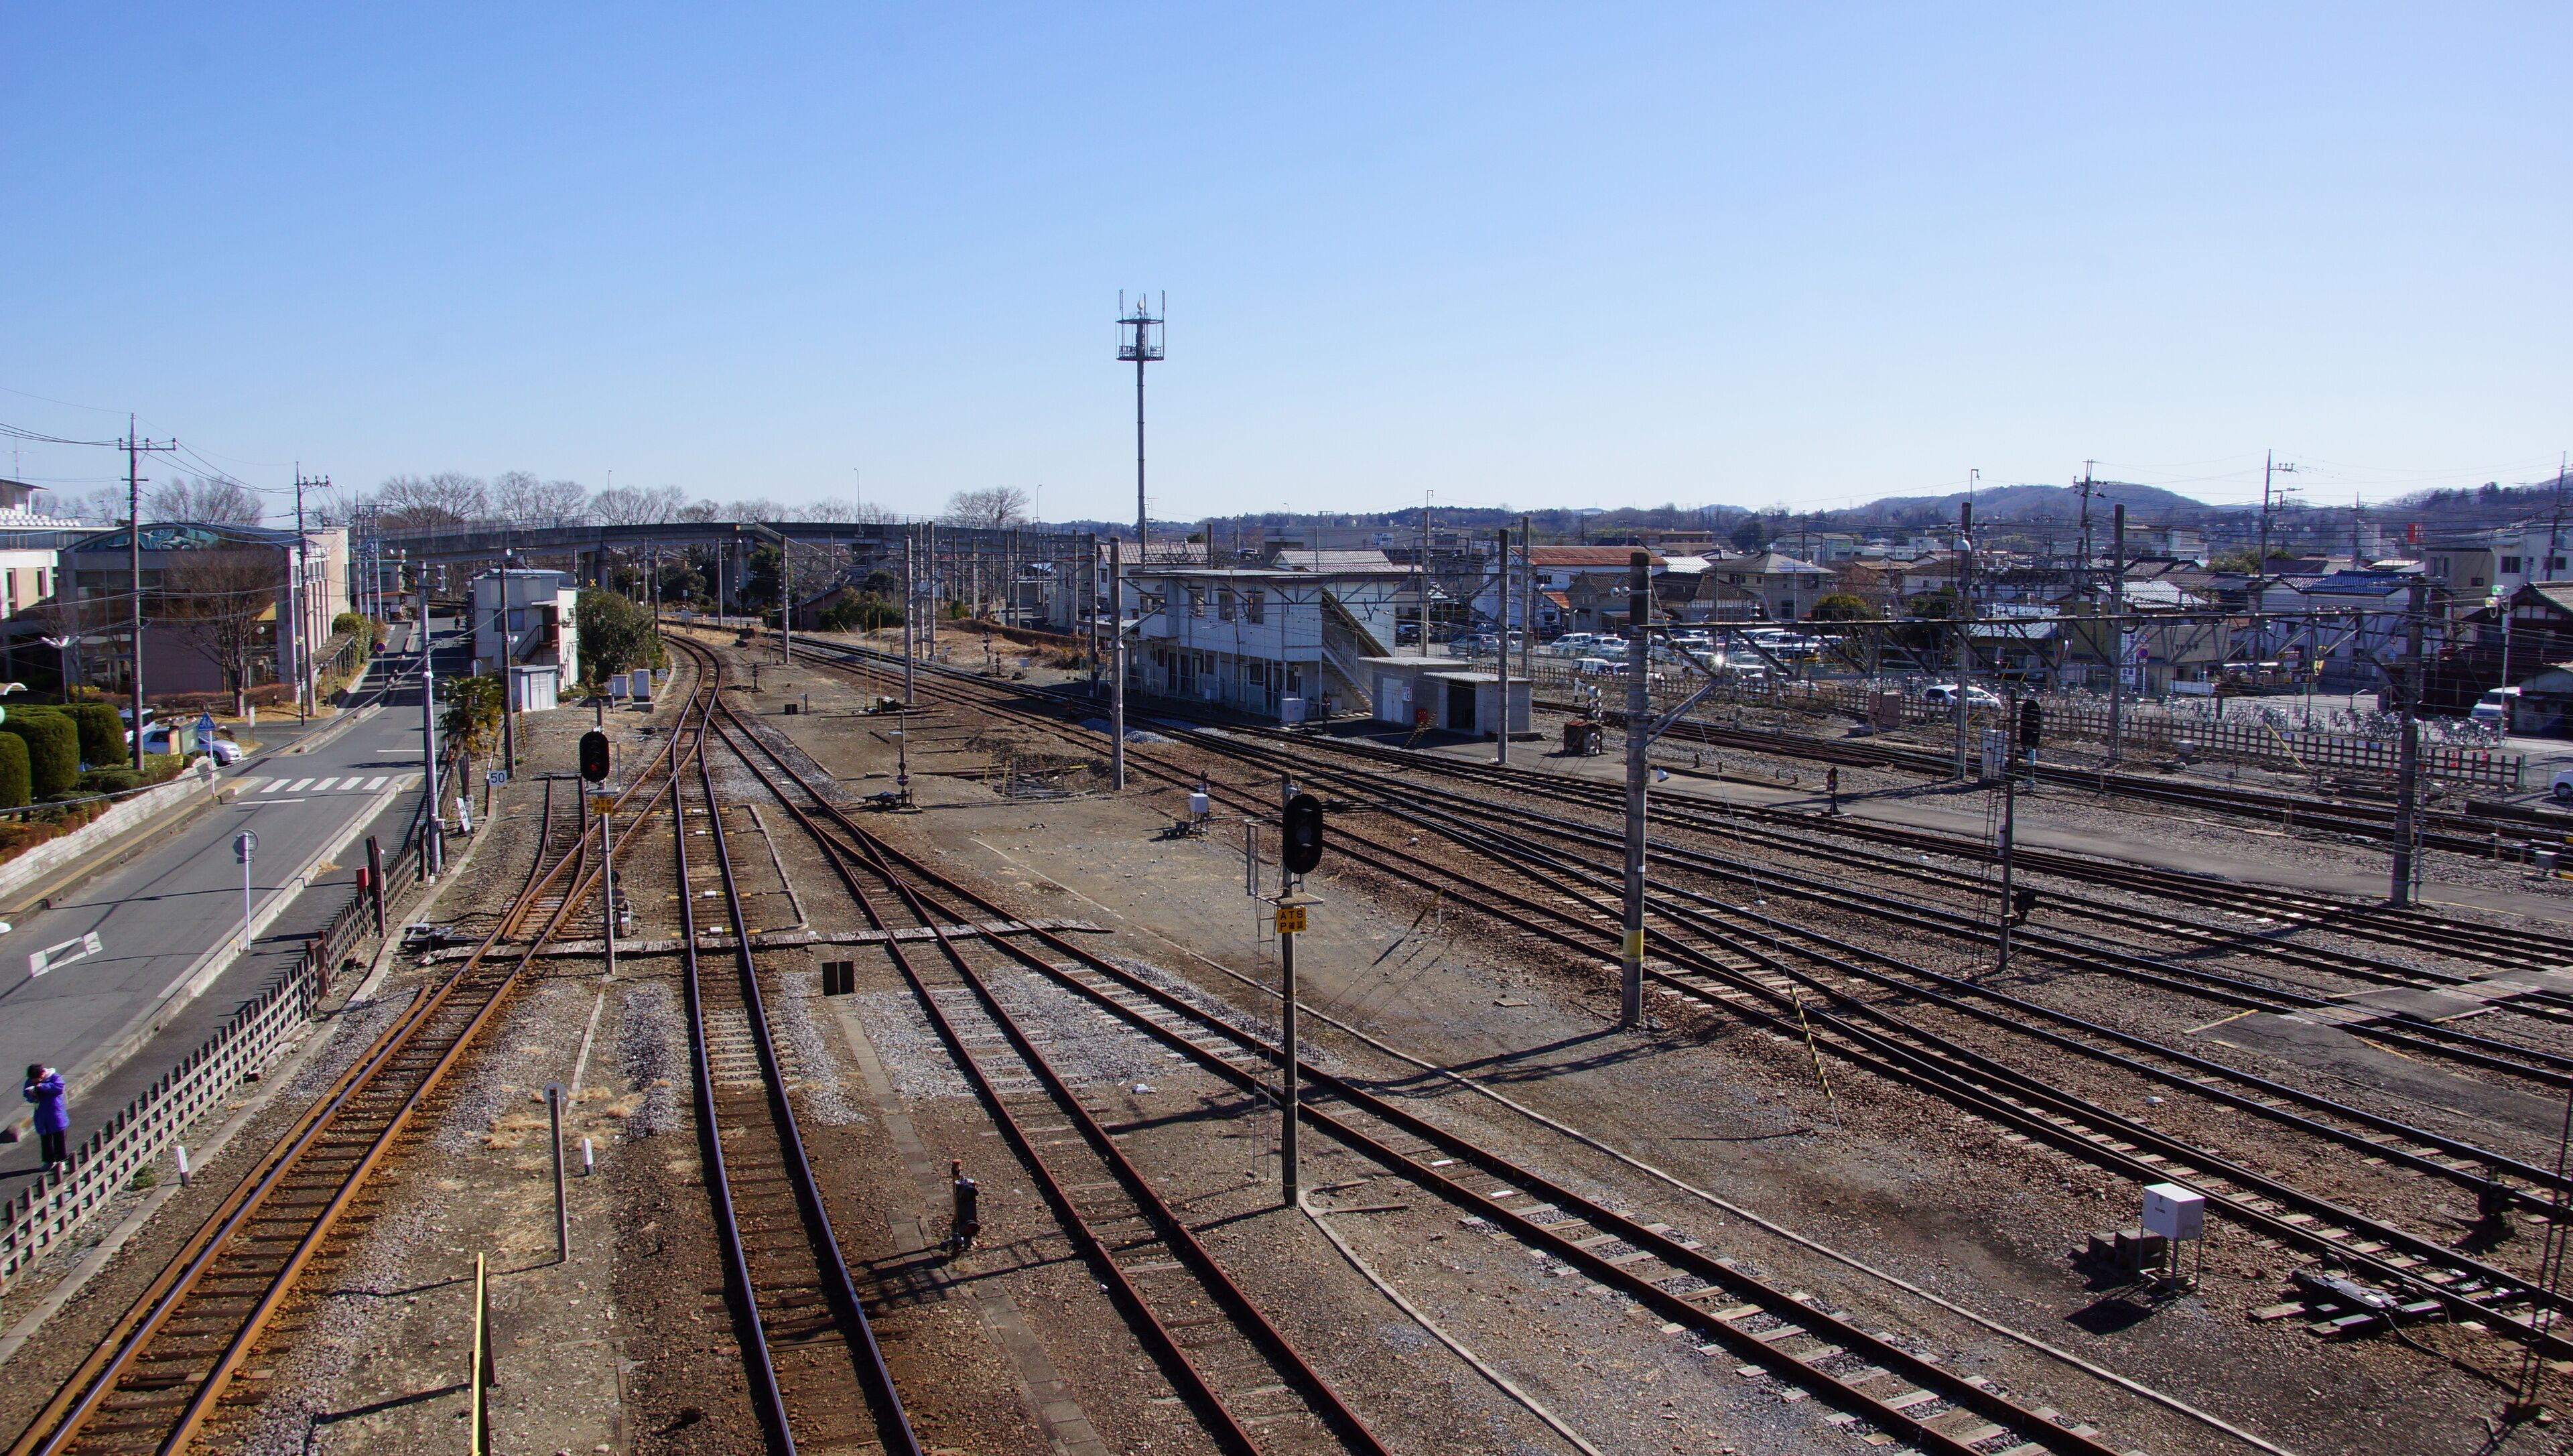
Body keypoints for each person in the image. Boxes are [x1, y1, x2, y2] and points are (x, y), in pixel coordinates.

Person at [22, 1064, 68, 1171]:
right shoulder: (30, 1081)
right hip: (42, 1115)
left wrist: (42, 1087)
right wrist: (31, 1095)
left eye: (36, 1080)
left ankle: (61, 1162)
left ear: (42, 1074)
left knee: (59, 1139)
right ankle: (49, 1161)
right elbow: (26, 1094)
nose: (34, 1082)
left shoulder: (54, 1077)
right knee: (45, 1140)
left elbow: (59, 1088)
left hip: (55, 1113)